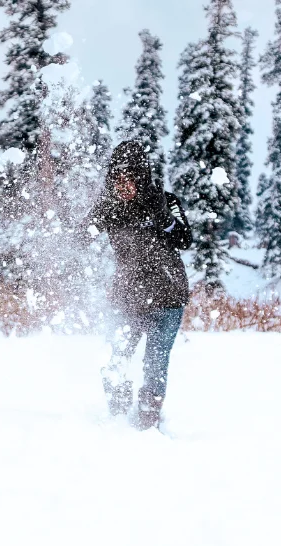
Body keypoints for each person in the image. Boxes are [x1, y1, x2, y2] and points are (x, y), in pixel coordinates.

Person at [87, 140, 192, 430]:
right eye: (116, 178)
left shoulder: (166, 201)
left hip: (168, 298)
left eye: (128, 177)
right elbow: (80, 237)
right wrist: (96, 217)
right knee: (115, 360)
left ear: (140, 176)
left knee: (155, 365)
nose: (122, 184)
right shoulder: (110, 208)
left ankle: (147, 423)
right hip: (126, 298)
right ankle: (119, 421)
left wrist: (162, 216)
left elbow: (184, 239)